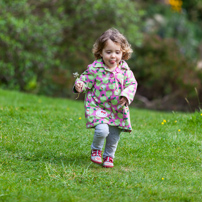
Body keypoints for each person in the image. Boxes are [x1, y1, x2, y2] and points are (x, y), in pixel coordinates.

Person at [73, 28, 137, 168]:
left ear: (123, 53)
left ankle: (109, 156)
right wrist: (80, 85)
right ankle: (96, 150)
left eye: (117, 52)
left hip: (117, 109)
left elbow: (132, 84)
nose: (113, 56)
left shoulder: (125, 71)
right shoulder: (95, 69)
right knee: (102, 130)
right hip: (98, 107)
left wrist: (126, 95)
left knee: (113, 136)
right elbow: (85, 80)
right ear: (100, 52)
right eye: (108, 52)